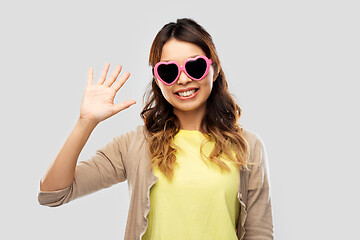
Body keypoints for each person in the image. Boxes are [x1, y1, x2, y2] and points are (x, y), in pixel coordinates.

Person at [38, 18, 274, 240]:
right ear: (157, 80)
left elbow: (259, 232)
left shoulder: (248, 146)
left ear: (215, 69)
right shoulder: (135, 145)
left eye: (194, 66)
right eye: (169, 71)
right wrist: (85, 121)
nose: (182, 80)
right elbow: (54, 193)